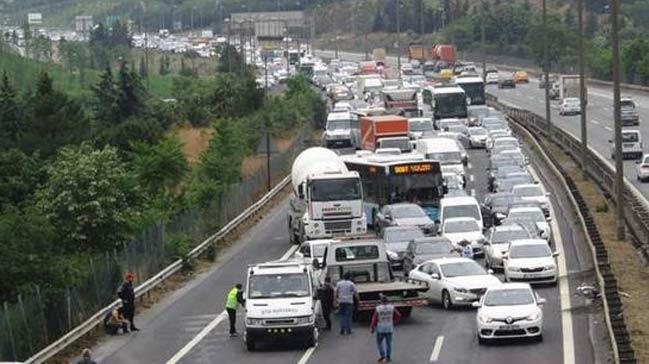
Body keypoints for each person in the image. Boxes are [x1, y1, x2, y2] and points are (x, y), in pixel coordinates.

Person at [370, 295, 401, 363]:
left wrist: (372, 327)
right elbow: (398, 315)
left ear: (380, 301)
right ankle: (388, 357)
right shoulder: (392, 307)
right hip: (389, 327)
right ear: (387, 301)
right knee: (388, 343)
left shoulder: (378, 308)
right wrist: (394, 322)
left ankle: (382, 355)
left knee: (379, 342)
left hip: (380, 328)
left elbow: (374, 319)